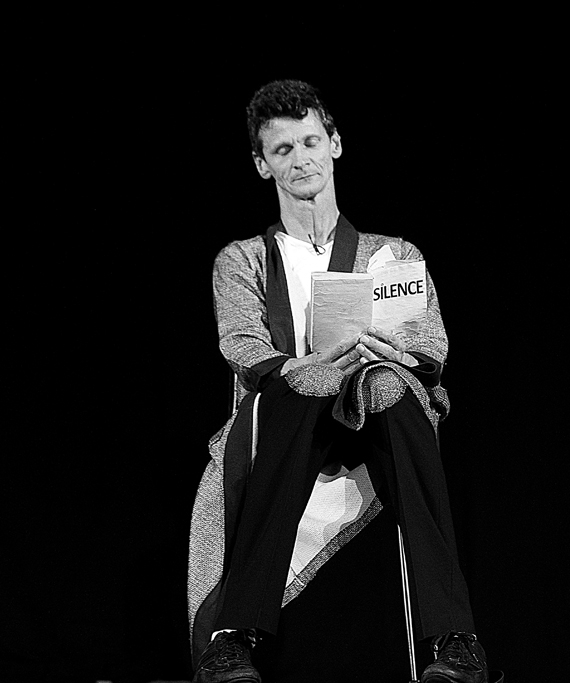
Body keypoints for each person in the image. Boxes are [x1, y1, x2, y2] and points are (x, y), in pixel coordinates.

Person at [187, 79, 490, 683]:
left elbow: (430, 345)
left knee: (391, 389)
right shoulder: (242, 259)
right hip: (290, 415)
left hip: (373, 407)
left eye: (310, 142)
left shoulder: (392, 254)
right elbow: (243, 346)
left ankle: (455, 642)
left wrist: (387, 353)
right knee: (303, 391)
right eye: (282, 150)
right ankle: (234, 637)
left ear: (335, 144)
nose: (300, 160)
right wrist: (309, 367)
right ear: (261, 165)